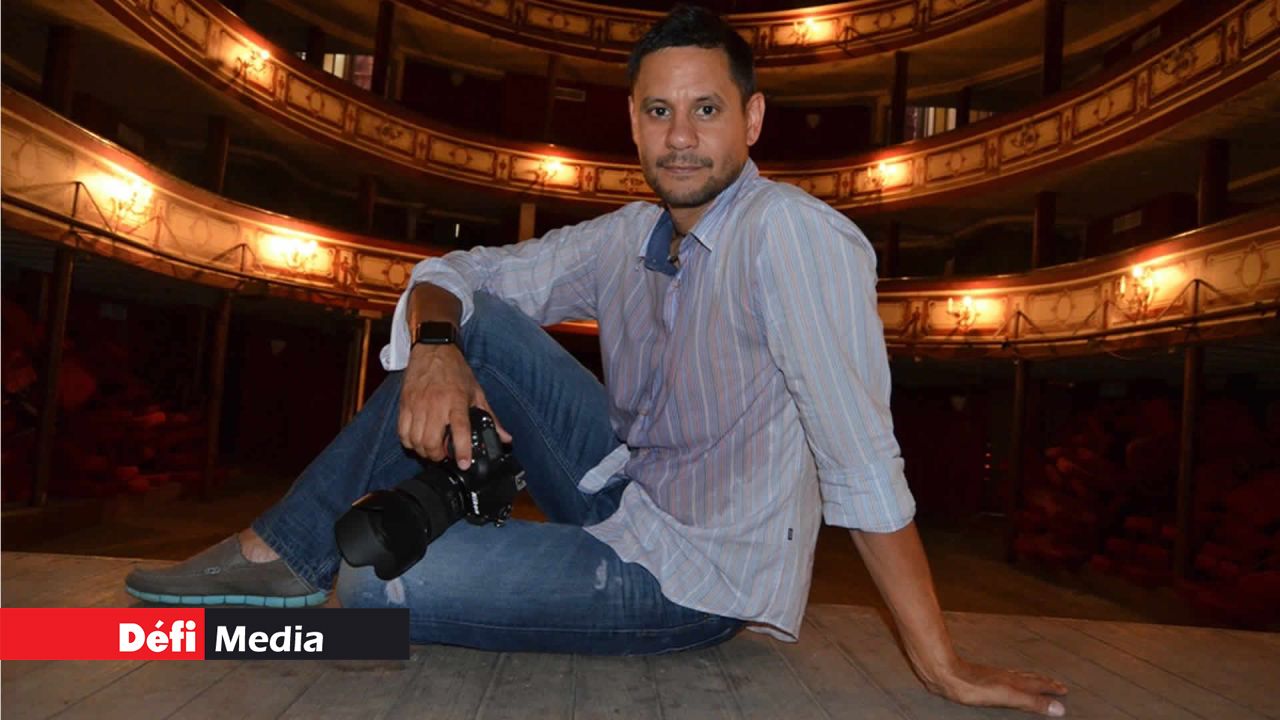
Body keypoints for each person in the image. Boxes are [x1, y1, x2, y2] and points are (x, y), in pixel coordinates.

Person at [127, 5, 1067, 715]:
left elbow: (862, 459)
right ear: (632, 122)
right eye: (660, 111)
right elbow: (456, 271)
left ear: (753, 119)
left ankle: (371, 535)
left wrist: (936, 660)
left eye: (707, 109)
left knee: (374, 580)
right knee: (470, 318)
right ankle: (280, 552)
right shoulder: (629, 235)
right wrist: (442, 350)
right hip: (622, 490)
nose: (682, 135)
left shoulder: (795, 241)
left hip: (693, 576)